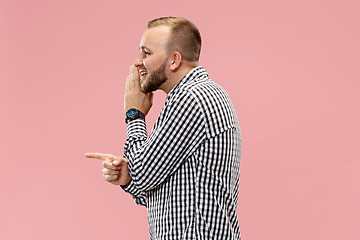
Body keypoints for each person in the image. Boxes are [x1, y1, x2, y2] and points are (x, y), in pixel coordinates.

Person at [85, 17, 242, 239]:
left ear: (174, 60)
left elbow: (142, 175)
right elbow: (152, 186)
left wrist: (134, 114)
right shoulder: (204, 94)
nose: (138, 62)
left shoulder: (190, 99)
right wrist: (127, 176)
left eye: (146, 53)